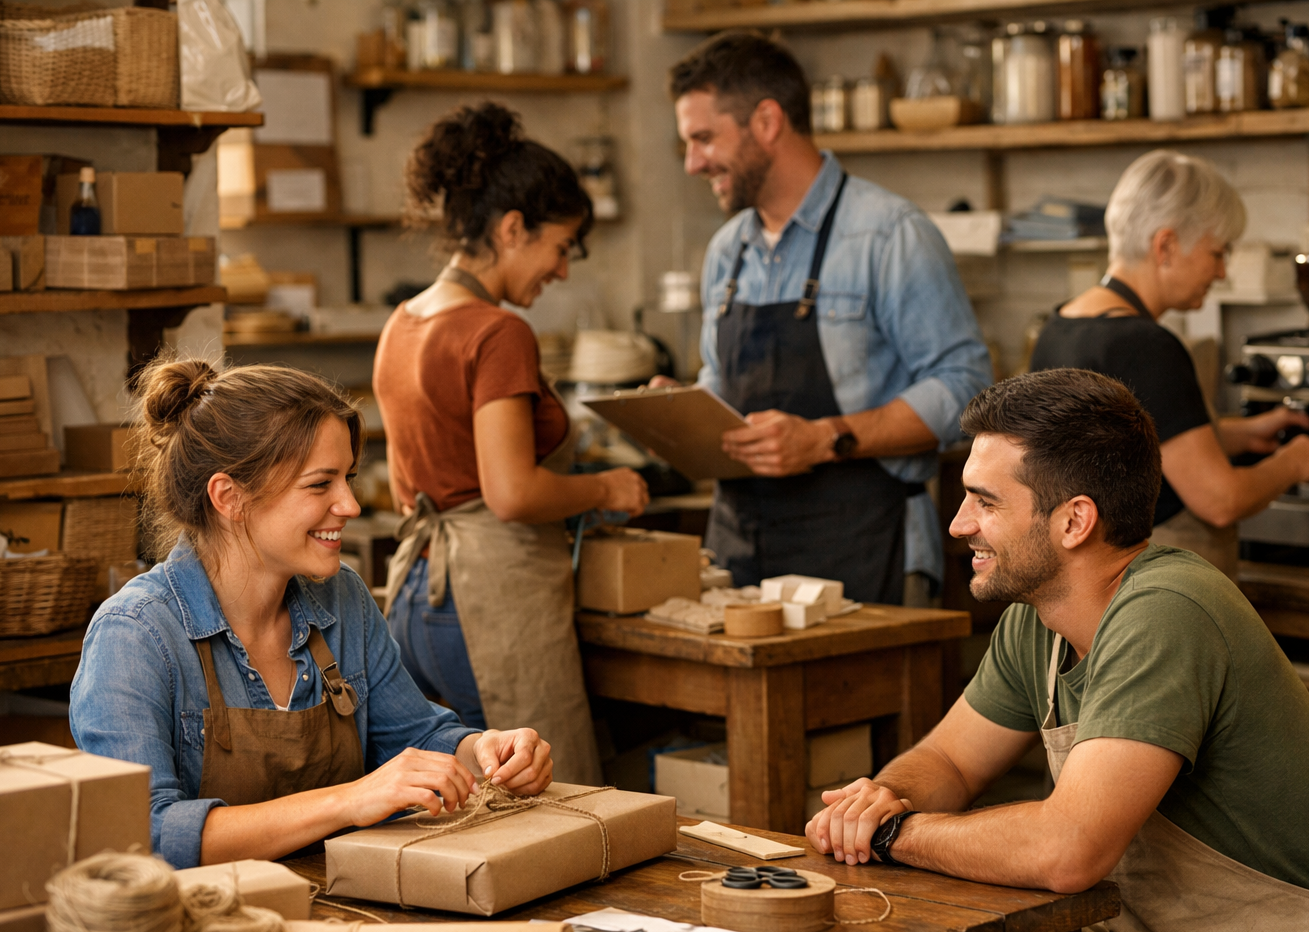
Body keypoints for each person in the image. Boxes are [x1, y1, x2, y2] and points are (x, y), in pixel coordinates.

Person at [805, 369, 1309, 932]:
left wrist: (896, 834)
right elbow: (952, 763)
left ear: (1075, 521)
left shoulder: (1167, 611)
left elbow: (1069, 849)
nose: (961, 525)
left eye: (985, 502)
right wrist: (881, 797)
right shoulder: (1039, 618)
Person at [70, 361, 554, 869]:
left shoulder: (342, 598)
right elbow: (142, 836)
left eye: (347, 479)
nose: (350, 504)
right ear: (229, 497)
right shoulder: (134, 635)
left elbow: (416, 739)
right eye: (320, 485)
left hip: (349, 902)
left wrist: (484, 752)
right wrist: (348, 800)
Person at [374, 103, 648, 785]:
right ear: (512, 228)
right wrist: (607, 487)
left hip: (417, 594)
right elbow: (511, 491)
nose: (560, 271)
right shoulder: (497, 333)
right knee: (544, 797)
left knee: (461, 798)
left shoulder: (403, 322)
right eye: (560, 248)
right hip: (488, 600)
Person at [667, 33, 992, 604]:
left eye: (703, 139)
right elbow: (723, 384)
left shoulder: (889, 234)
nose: (693, 162)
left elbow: (964, 387)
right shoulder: (727, 251)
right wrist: (682, 412)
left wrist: (824, 439)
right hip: (742, 550)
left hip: (866, 548)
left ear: (767, 121)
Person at [1030, 149, 1309, 576]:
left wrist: (1241, 435)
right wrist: (1295, 462)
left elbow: (1132, 451)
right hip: (1155, 589)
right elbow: (1219, 500)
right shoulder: (1146, 345)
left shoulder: (1060, 325)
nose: (1223, 272)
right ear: (1166, 246)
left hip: (1082, 585)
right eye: (1217, 252)